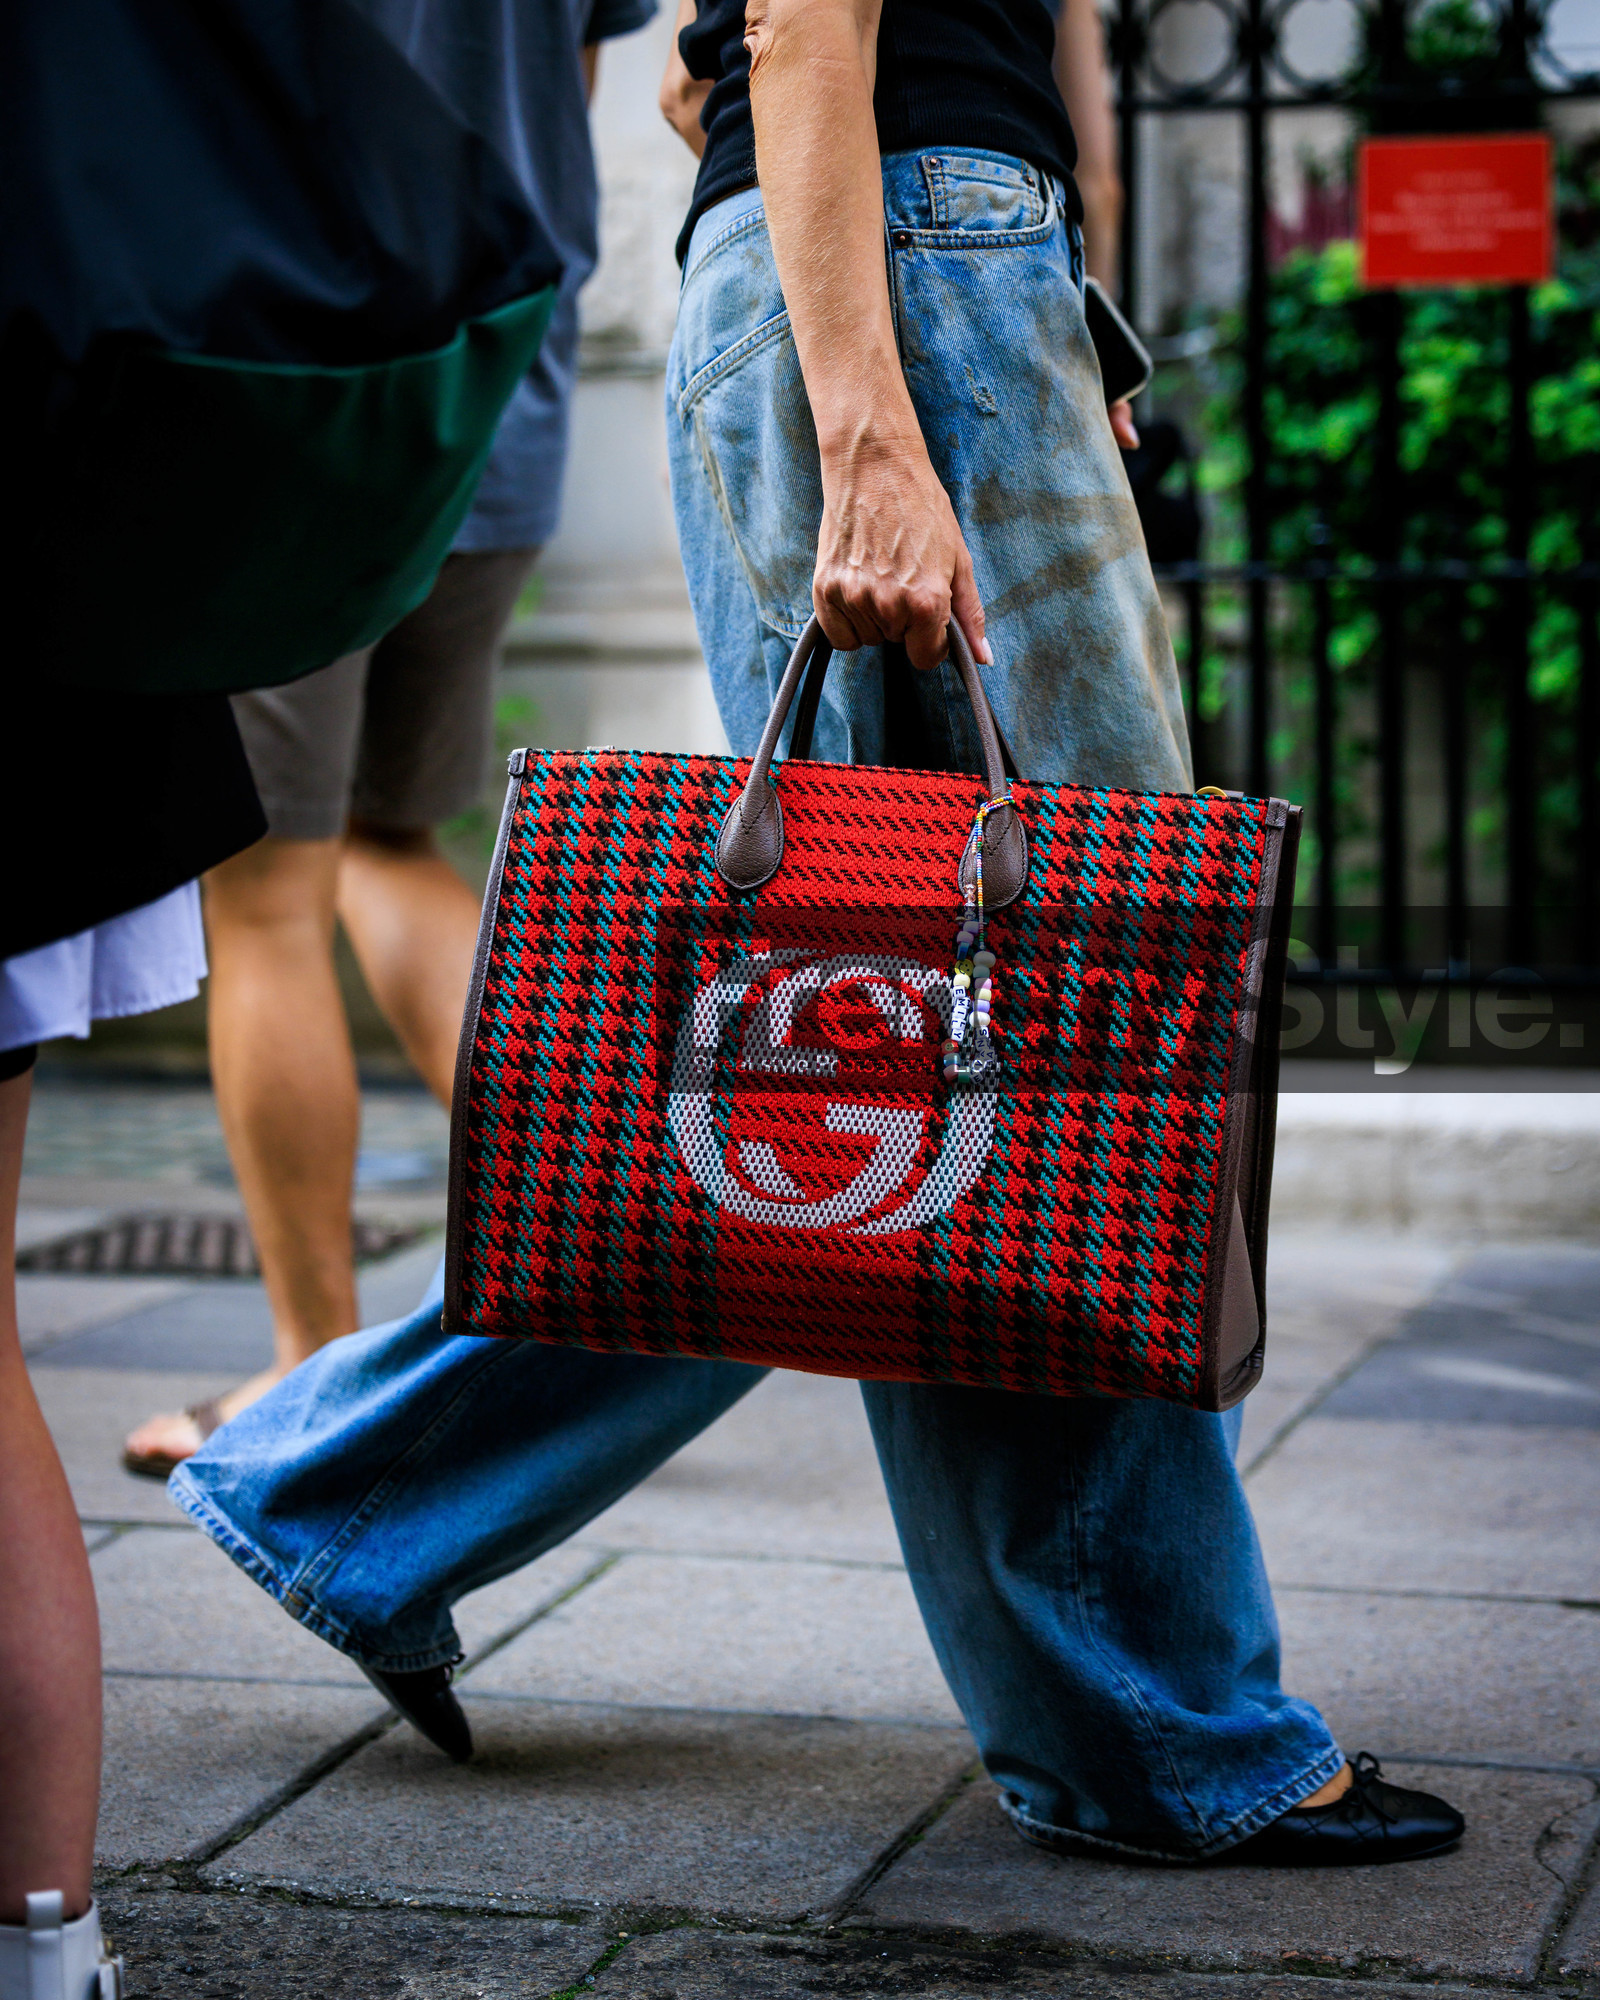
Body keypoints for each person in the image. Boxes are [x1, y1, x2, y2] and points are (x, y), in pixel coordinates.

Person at [171, 0, 1465, 1866]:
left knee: (886, 1068)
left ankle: (345, 1501)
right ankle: (1153, 1732)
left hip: (912, 268)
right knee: (1056, 1049)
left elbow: (721, 62)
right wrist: (880, 417)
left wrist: (1025, 306)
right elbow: (790, 28)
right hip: (908, 274)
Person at [122, 0, 658, 1479]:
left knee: (272, 890)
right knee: (390, 841)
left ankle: (307, 1374)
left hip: (292, 390)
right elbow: (581, 69)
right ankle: (616, 1267)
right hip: (495, 376)